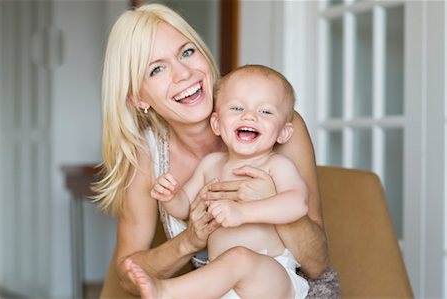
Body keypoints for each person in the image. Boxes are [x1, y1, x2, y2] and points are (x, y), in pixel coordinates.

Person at [94, 3, 340, 298]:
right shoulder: (146, 155)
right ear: (137, 98)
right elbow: (128, 273)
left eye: (186, 52)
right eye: (157, 68)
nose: (183, 74)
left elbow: (316, 263)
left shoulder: (275, 125)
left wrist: (264, 202)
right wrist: (190, 239)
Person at [128, 64, 310, 299]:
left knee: (239, 258)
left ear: (283, 133)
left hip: (271, 273)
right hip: (221, 282)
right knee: (230, 262)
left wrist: (243, 212)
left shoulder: (276, 166)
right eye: (237, 108)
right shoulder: (211, 165)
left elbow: (297, 204)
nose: (249, 116)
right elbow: (184, 208)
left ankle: (165, 292)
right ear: (217, 124)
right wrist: (171, 196)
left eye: (265, 112)